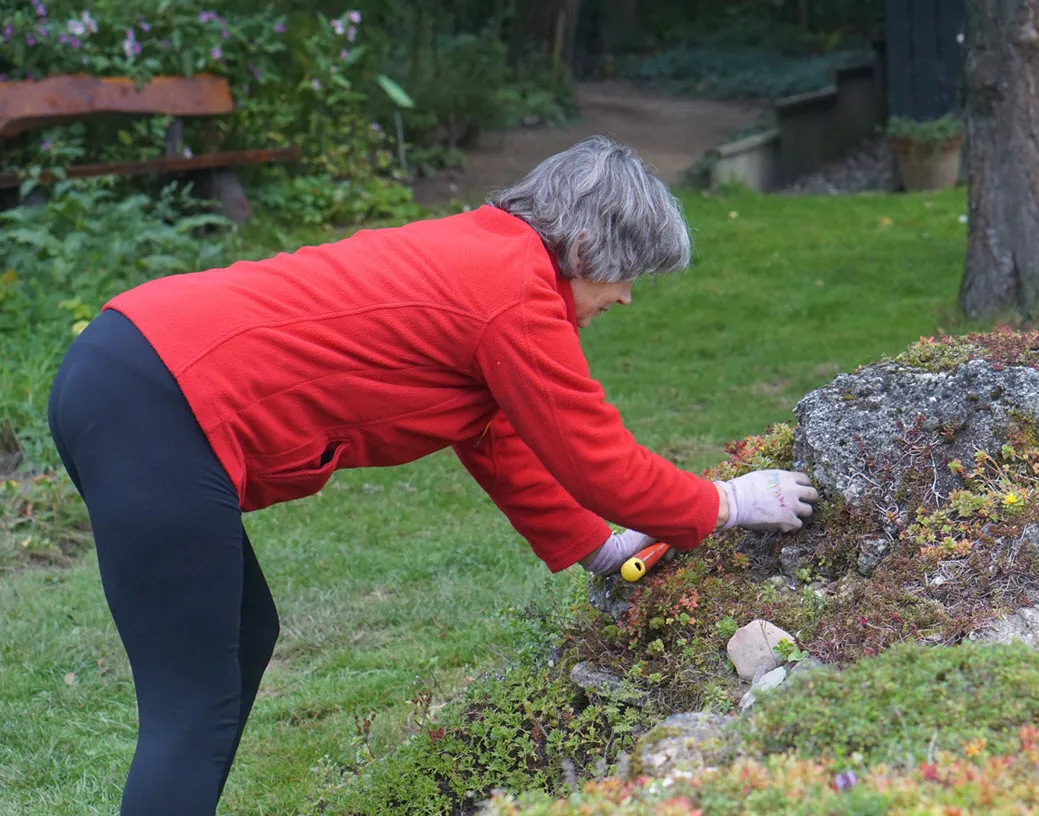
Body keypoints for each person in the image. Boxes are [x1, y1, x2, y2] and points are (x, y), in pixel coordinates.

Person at [45, 135, 820, 815]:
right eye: (627, 275)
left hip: (132, 372)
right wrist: (728, 502)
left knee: (244, 637)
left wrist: (600, 549)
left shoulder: (488, 258)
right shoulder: (513, 296)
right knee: (194, 704)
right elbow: (601, 463)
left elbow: (497, 433)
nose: (624, 296)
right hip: (158, 403)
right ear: (587, 247)